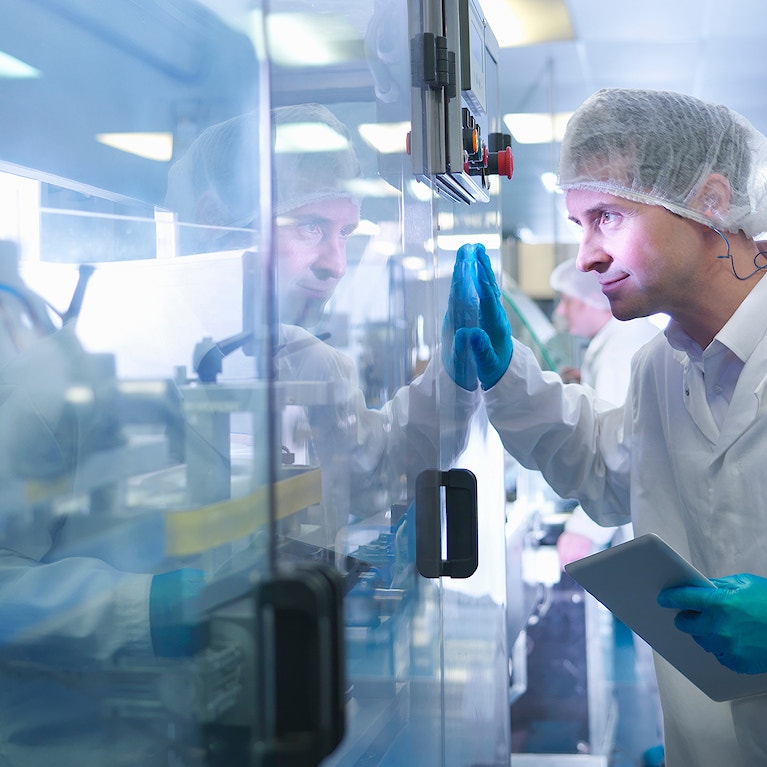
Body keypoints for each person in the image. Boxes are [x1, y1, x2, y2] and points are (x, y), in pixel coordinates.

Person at [442, 88, 767, 766]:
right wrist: (505, 375)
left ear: (709, 200)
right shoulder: (659, 368)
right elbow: (601, 467)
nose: (586, 258)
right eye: (579, 223)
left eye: (606, 217)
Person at [549, 258, 659, 566]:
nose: (560, 310)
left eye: (567, 300)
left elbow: (623, 448)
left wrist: (584, 530)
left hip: (637, 523)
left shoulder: (620, 349)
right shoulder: (622, 340)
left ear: (591, 302)